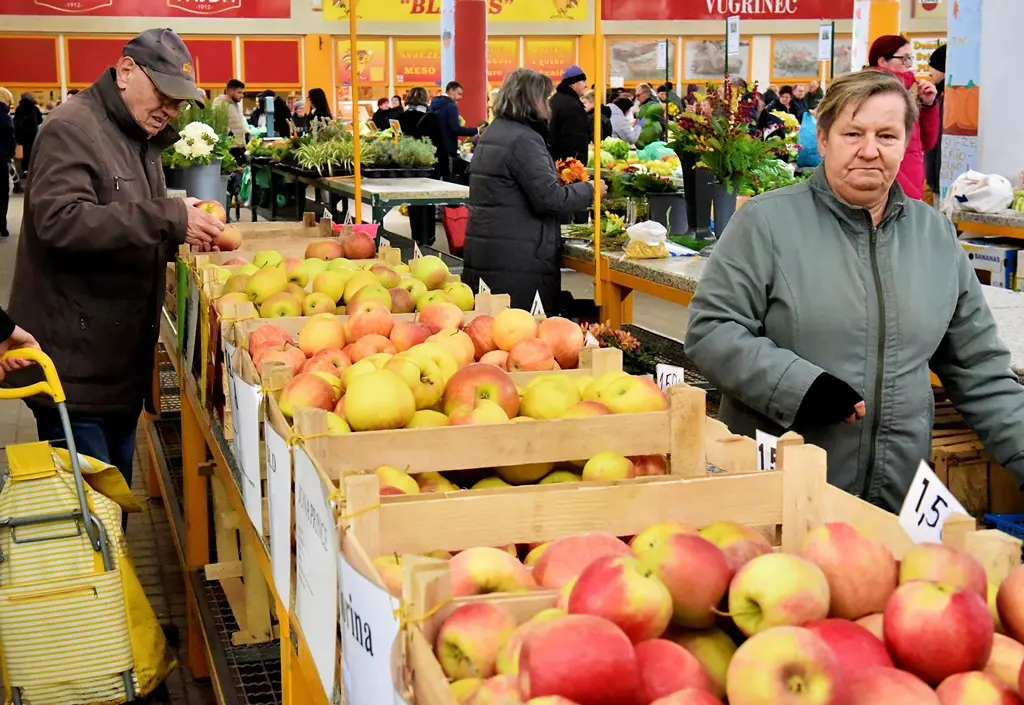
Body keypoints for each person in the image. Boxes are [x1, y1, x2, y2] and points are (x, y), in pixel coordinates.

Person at [683, 70, 1024, 512]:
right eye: (852, 133)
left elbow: (979, 369)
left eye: (886, 135)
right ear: (823, 139)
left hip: (894, 498)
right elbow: (711, 330)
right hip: (782, 493)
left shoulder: (935, 236)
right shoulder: (767, 223)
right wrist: (801, 387)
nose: (869, 150)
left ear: (906, 142)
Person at [7, 29, 224, 511]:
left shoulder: (136, 137)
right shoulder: (72, 128)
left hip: (115, 367)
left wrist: (178, 234)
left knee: (113, 509)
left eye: (179, 101)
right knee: (91, 522)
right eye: (164, 93)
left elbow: (122, 220)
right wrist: (168, 217)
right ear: (126, 72)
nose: (171, 109)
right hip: (75, 370)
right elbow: (61, 222)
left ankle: (110, 584)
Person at [462, 68, 604, 314]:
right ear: (532, 100)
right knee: (521, 334)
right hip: (519, 258)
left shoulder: (493, 132)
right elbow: (550, 199)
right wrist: (589, 189)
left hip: (491, 250)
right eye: (545, 98)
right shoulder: (524, 140)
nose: (549, 104)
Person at [868, 34, 939, 200]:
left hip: (912, 178)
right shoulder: (872, 92)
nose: (908, 64)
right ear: (882, 61)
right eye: (904, 58)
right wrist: (909, 194)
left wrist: (928, 105)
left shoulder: (911, 90)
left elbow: (927, 142)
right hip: (889, 184)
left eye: (910, 59)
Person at [398, 87, 444, 246]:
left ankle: (416, 236)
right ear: (426, 99)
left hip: (408, 170)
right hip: (428, 170)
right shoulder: (431, 118)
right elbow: (439, 145)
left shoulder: (400, 118)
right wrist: (444, 170)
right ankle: (428, 239)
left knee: (413, 205)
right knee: (428, 204)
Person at [430, 81, 478, 181]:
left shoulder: (433, 104)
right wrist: (476, 130)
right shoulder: (451, 106)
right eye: (458, 94)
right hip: (447, 149)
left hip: (433, 148)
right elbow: (455, 128)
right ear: (451, 90)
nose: (460, 97)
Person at [547, 65, 589, 164]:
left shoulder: (555, 100)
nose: (586, 85)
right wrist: (576, 165)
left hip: (554, 162)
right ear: (573, 83)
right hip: (568, 168)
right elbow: (574, 140)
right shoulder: (572, 106)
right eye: (583, 81)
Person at [924, 44, 946, 204]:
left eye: (933, 67)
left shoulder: (947, 98)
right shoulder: (935, 95)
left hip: (942, 175)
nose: (930, 72)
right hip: (935, 177)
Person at [12, 92, 42, 195]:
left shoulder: (19, 109)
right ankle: (33, 169)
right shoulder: (34, 108)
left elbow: (15, 122)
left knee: (24, 152)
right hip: (33, 134)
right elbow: (39, 120)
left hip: (22, 136)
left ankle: (24, 170)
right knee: (33, 151)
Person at [213, 78, 249, 155]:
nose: (242, 96)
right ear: (230, 91)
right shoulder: (220, 104)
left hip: (239, 147)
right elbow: (219, 126)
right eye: (239, 92)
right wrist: (232, 137)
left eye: (243, 93)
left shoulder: (236, 105)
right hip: (229, 149)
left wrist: (246, 134)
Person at [0, 88, 14, 238]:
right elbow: (10, 139)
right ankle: (2, 226)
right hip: (0, 160)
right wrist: (9, 156)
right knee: (2, 194)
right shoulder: (4, 117)